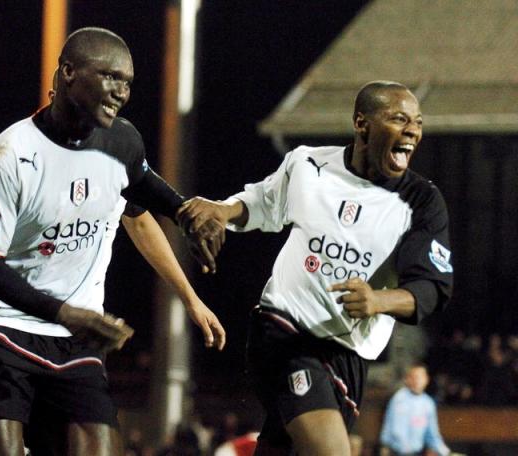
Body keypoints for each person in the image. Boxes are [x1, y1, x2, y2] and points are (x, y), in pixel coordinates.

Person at [0, 27, 224, 455]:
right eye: (111, 77)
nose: (122, 92)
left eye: (128, 82)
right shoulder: (10, 157)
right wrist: (64, 312)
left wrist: (186, 214)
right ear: (68, 72)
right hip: (0, 327)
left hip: (73, 336)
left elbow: (144, 193)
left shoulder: (120, 143)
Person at [177, 81, 454, 455]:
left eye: (417, 123)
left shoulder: (421, 202)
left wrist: (378, 300)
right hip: (283, 332)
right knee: (332, 451)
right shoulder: (308, 163)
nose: (412, 131)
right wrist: (223, 210)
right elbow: (264, 202)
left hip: (349, 354)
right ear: (362, 124)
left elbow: (432, 287)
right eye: (399, 119)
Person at [379, 364, 450, 456]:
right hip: (396, 452)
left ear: (426, 379)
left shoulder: (428, 403)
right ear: (407, 379)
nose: (417, 381)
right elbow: (395, 430)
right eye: (414, 377)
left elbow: (432, 433)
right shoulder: (399, 399)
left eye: (420, 377)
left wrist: (445, 451)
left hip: (416, 452)